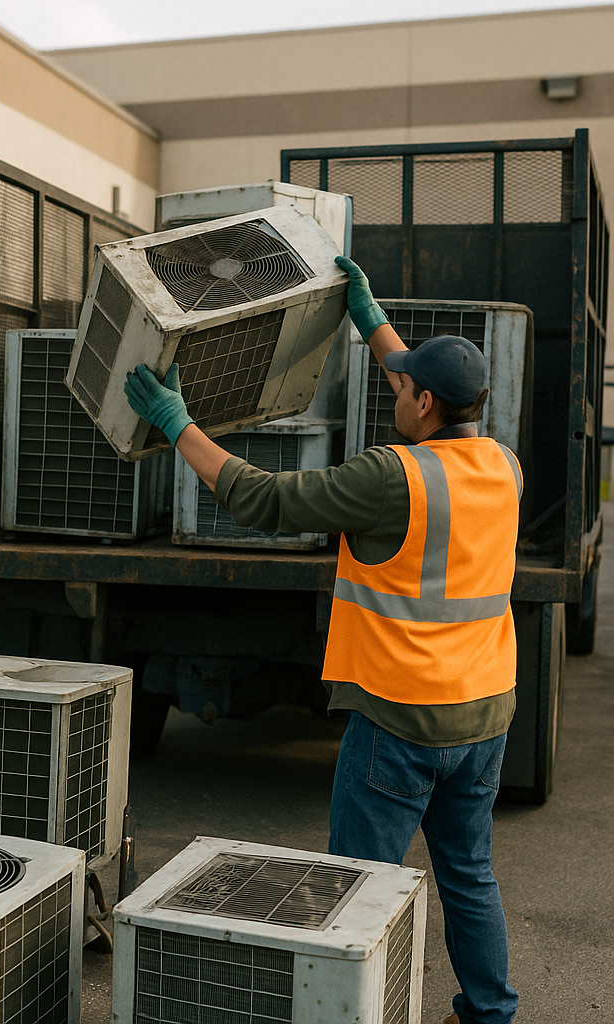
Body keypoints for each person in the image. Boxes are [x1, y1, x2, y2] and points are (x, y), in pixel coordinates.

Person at [124, 256, 520, 1024]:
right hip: (483, 718)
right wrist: (373, 322)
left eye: (401, 385)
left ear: (427, 402)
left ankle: (350, 1013)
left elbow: (263, 500)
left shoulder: (390, 476)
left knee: (358, 893)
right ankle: (490, 1014)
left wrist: (180, 425)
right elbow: (430, 393)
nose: (391, 388)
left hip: (400, 724)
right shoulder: (502, 466)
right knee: (469, 876)